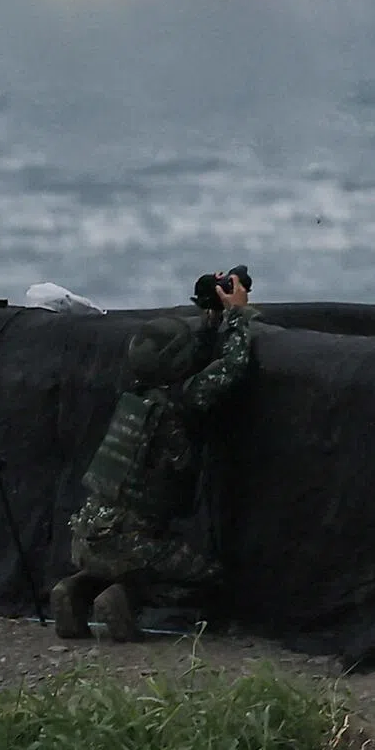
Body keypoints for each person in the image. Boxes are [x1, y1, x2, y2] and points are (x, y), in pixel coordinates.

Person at [49, 271, 254, 642]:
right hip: (132, 542)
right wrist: (238, 315)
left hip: (86, 533)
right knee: (211, 578)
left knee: (117, 558)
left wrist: (211, 312)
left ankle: (76, 591)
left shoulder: (137, 394)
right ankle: (128, 598)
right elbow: (233, 366)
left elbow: (186, 358)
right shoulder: (183, 402)